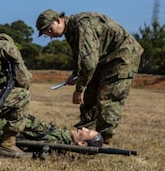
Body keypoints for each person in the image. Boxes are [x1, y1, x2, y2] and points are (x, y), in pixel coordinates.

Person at [35, 9, 143, 145]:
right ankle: (86, 135)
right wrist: (75, 74)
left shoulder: (82, 26)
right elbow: (81, 57)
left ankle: (104, 140)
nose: (49, 36)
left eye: (49, 30)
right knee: (89, 97)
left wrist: (79, 89)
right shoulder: (70, 31)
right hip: (102, 60)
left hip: (122, 57)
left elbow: (88, 62)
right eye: (45, 34)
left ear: (58, 20)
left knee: (108, 97)